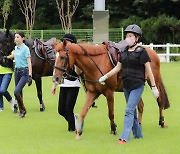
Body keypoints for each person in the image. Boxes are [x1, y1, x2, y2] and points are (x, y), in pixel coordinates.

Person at [99, 24, 159, 144]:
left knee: (129, 110)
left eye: (130, 36)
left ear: (137, 38)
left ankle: (124, 137)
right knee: (133, 113)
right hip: (126, 86)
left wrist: (154, 87)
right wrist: (105, 76)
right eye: (127, 36)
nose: (128, 38)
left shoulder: (142, 52)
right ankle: (138, 135)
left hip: (138, 85)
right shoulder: (124, 51)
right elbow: (117, 68)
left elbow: (149, 70)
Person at [51, 34, 81, 132]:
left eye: (67, 42)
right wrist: (54, 84)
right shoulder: (62, 54)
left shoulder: (76, 55)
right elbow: (57, 70)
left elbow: (79, 72)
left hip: (74, 84)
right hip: (63, 84)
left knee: (68, 108)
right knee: (61, 110)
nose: (65, 44)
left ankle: (71, 129)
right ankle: (75, 120)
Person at [7, 31, 32, 118]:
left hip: (24, 72)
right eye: (15, 37)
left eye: (17, 37)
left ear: (23, 38)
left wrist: (30, 75)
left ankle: (23, 110)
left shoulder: (25, 49)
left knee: (16, 91)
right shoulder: (16, 48)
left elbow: (29, 62)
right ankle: (21, 111)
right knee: (19, 92)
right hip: (17, 72)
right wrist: (4, 57)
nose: (16, 39)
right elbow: (12, 56)